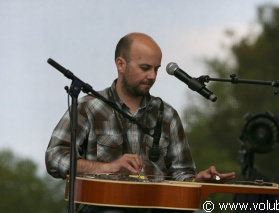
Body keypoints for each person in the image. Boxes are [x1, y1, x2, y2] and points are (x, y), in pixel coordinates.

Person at [45, 32, 235, 213]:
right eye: (145, 68)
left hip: (159, 207)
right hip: (104, 205)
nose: (152, 76)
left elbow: (181, 174)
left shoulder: (168, 115)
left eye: (156, 69)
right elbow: (54, 157)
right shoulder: (88, 107)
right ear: (121, 64)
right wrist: (108, 168)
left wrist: (196, 181)